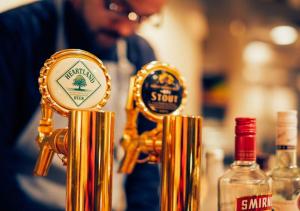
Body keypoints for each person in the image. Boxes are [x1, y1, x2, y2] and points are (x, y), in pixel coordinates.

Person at [0, 0, 166, 210]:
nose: (125, 29)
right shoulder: (16, 32)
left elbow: (144, 165)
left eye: (142, 18)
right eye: (117, 7)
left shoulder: (139, 54)